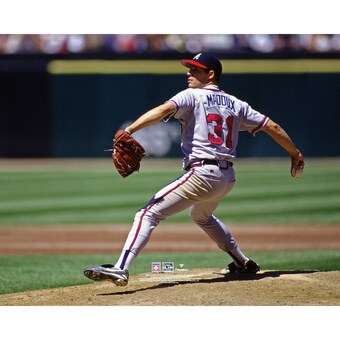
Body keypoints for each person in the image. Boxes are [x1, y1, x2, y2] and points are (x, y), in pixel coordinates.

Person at [84, 52, 305, 286]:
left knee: (147, 214)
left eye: (196, 70)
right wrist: (295, 153)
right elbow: (272, 126)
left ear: (211, 74)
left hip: (202, 172)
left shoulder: (192, 96)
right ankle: (242, 262)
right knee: (201, 216)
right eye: (189, 69)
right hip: (227, 177)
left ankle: (120, 268)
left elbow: (162, 110)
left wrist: (130, 130)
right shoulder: (237, 104)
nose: (189, 74)